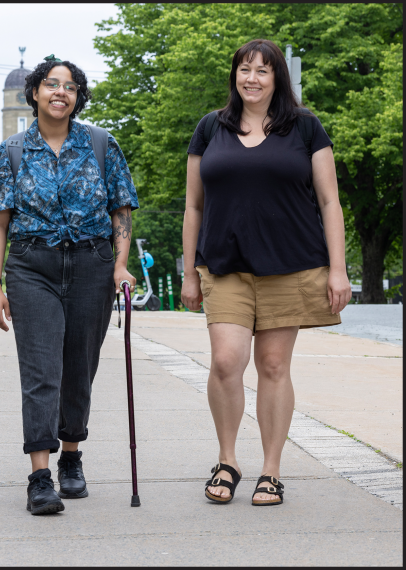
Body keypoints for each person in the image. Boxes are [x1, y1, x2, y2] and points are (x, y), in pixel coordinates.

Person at [182, 39, 350, 507]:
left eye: (262, 70)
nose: (251, 78)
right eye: (244, 69)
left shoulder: (305, 127)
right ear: (234, 75)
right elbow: (193, 205)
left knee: (274, 367)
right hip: (224, 265)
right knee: (225, 362)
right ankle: (228, 459)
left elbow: (329, 201)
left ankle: (271, 470)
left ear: (278, 77)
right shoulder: (210, 128)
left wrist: (338, 269)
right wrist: (189, 270)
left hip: (291, 265)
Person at [0, 59, 139, 515]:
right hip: (32, 265)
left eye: (70, 87)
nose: (60, 92)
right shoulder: (10, 152)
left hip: (93, 264)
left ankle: (71, 457)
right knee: (40, 370)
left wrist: (120, 266)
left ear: (77, 97)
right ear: (34, 93)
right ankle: (40, 476)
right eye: (51, 84)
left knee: (79, 366)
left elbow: (122, 210)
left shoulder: (101, 144)